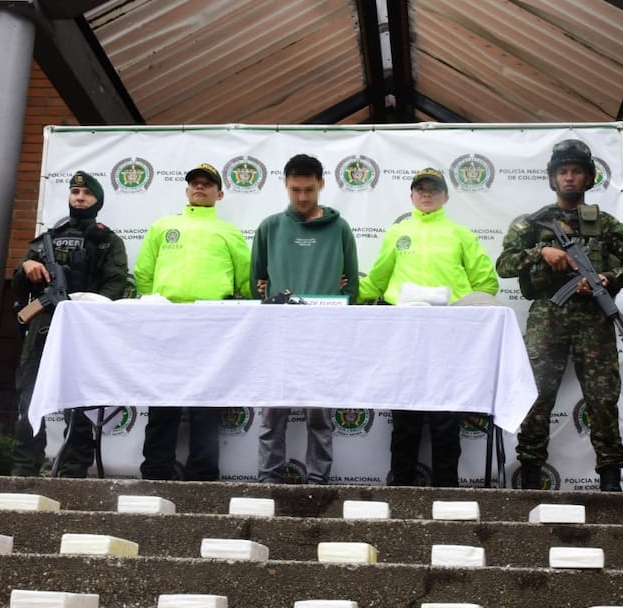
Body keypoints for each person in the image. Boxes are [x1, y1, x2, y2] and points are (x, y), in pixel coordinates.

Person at [495, 139, 623, 492]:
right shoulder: (531, 225)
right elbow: (503, 265)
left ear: (588, 178)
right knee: (537, 395)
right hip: (549, 315)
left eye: (576, 171)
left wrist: (607, 278)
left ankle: (610, 478)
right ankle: (530, 472)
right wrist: (540, 251)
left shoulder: (606, 224)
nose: (569, 178)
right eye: (562, 171)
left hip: (593, 319)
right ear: (552, 179)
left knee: (602, 398)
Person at [359, 168, 499, 487]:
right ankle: (400, 490)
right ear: (411, 195)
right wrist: (342, 292)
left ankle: (447, 491)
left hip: (448, 336)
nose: (426, 194)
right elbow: (377, 281)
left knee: (445, 419)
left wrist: (462, 309)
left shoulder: (460, 234)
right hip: (404, 335)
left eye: (433, 190)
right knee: (404, 417)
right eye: (419, 189)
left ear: (445, 197)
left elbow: (486, 284)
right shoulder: (397, 233)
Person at [133, 163, 251, 480]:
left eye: (207, 184)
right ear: (187, 190)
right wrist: (157, 305)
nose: (200, 188)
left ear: (219, 193)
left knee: (206, 403)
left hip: (211, 325)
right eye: (194, 184)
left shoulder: (229, 232)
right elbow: (143, 274)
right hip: (166, 322)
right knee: (162, 401)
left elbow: (246, 281)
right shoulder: (163, 226)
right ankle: (156, 470)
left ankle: (203, 473)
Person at [11, 170, 128, 477]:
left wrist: (85, 310)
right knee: (29, 399)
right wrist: (27, 267)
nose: (79, 198)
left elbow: (115, 287)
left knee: (80, 403)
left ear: (97, 200)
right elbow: (17, 288)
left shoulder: (107, 241)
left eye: (86, 194)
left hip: (83, 330)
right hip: (43, 328)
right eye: (75, 193)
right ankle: (23, 470)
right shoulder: (45, 240)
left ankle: (73, 472)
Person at [250, 153, 359, 485]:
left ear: (322, 185)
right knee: (272, 415)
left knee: (320, 416)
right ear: (285, 185)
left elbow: (352, 285)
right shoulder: (270, 226)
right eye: (295, 189)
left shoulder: (339, 228)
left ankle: (318, 483)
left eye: (309, 189)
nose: (301, 197)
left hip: (323, 336)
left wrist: (335, 300)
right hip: (279, 335)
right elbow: (256, 283)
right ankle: (268, 480)